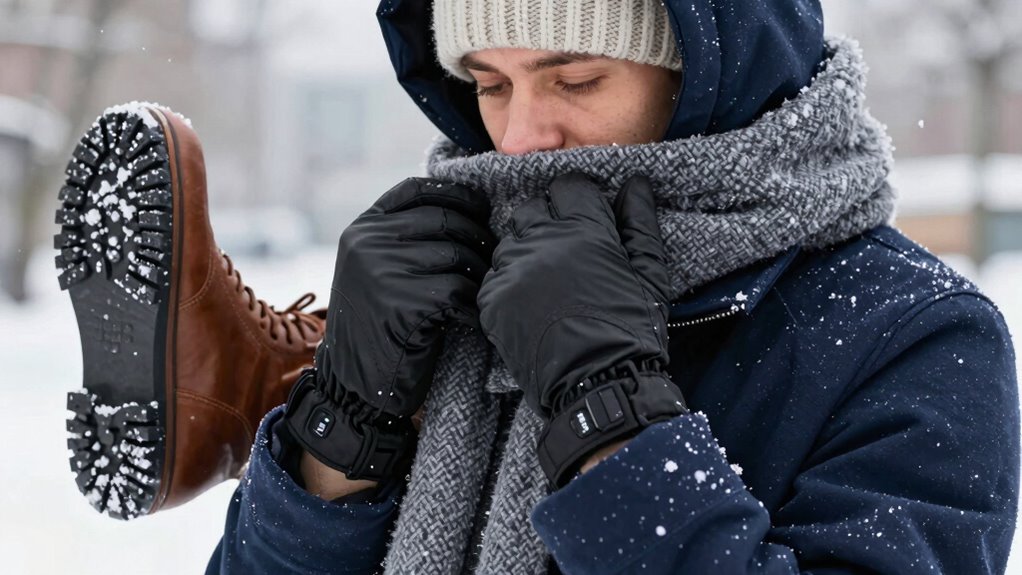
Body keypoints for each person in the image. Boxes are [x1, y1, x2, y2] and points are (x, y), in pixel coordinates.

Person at [56, 0, 1018, 573]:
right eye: (488, 81)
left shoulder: (914, 333)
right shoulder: (456, 286)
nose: (518, 139)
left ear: (711, 72)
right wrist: (342, 429)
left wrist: (608, 410)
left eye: (577, 78)